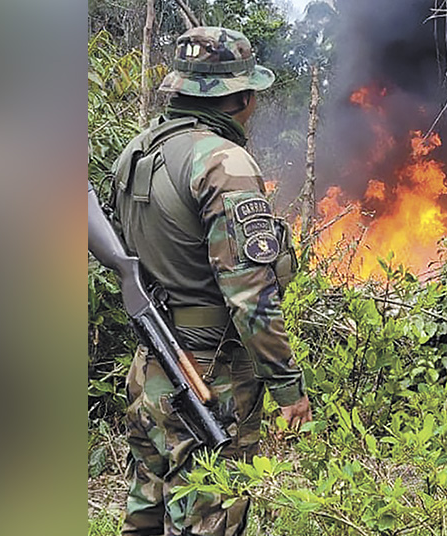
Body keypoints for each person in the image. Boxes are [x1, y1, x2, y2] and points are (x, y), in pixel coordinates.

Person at [108, 26, 313, 536]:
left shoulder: (135, 153)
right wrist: (288, 386)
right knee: (208, 512)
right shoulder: (223, 162)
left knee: (146, 509)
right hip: (209, 372)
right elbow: (250, 292)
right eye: (251, 96)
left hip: (152, 365)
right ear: (237, 97)